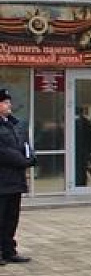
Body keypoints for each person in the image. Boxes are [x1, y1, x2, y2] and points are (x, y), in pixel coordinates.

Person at [0, 88, 37, 266]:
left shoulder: (16, 124)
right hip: (2, 179)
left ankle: (9, 250)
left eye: (9, 102)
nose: (9, 105)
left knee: (11, 218)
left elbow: (25, 145)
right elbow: (4, 152)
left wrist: (31, 157)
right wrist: (23, 161)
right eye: (5, 102)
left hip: (15, 180)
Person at [74, 106, 91, 185]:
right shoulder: (85, 121)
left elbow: (89, 135)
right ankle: (80, 183)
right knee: (82, 167)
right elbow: (90, 135)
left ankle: (80, 183)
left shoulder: (84, 122)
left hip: (81, 148)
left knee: (81, 167)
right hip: (82, 148)